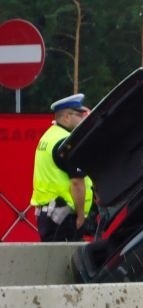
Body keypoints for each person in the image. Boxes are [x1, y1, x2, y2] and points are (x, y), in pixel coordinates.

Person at [30, 93, 94, 242]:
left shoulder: (49, 136)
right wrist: (80, 216)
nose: (84, 118)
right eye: (80, 114)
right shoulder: (67, 143)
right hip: (64, 216)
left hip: (49, 214)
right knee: (65, 262)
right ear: (66, 117)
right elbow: (77, 183)